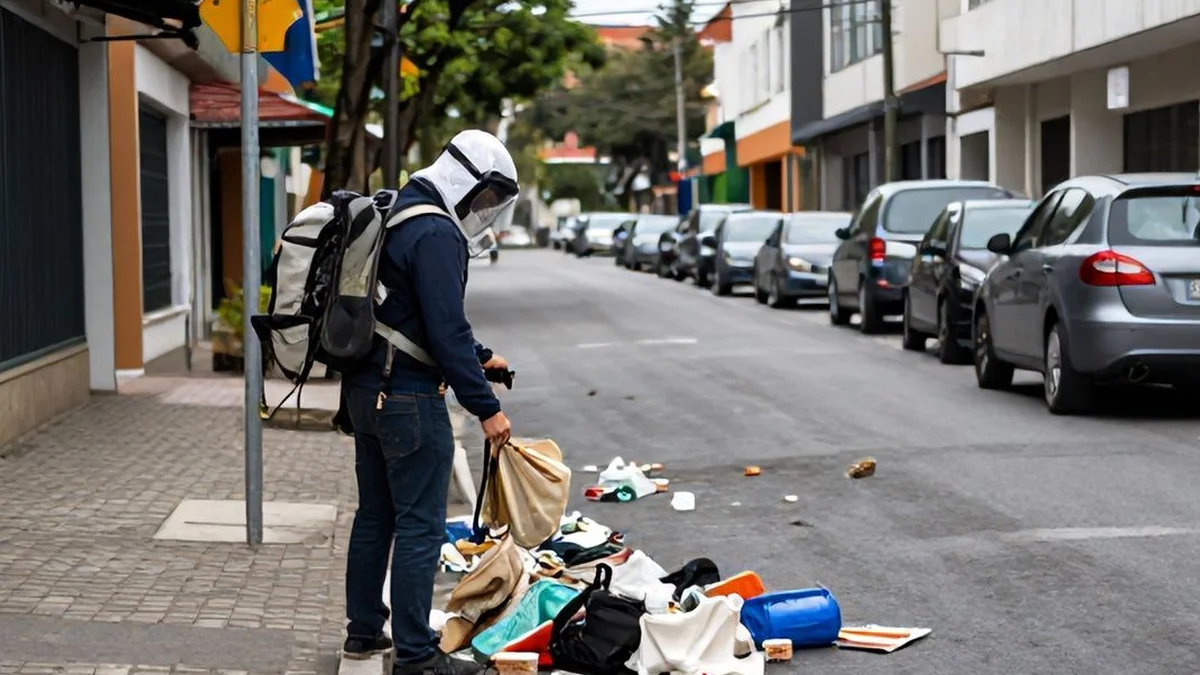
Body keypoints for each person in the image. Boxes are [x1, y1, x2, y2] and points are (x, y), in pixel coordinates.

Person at [339, 129, 518, 675]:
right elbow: (445, 328)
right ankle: (416, 655)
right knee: (420, 526)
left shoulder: (395, 211)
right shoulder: (437, 231)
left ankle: (363, 634)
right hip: (409, 400)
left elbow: (407, 313)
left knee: (375, 517)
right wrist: (487, 409)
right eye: (485, 195)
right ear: (464, 178)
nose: (483, 208)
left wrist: (480, 356)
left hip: (366, 391)